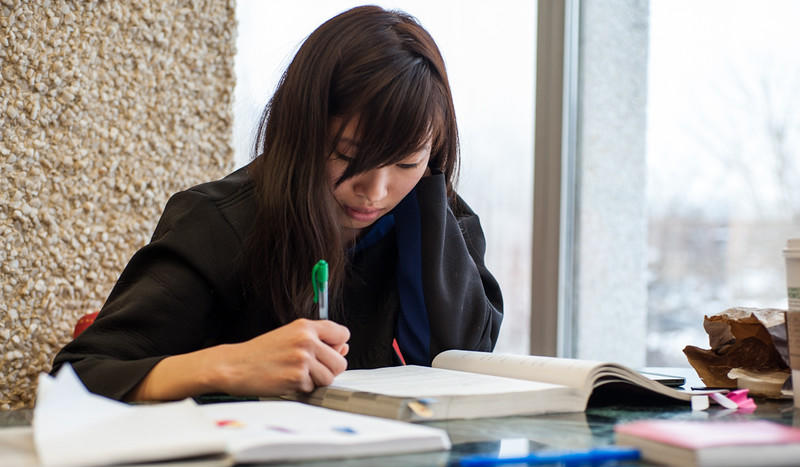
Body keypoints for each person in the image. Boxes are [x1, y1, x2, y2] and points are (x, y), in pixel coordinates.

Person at [51, 5, 503, 402]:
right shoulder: (220, 224)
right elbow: (79, 376)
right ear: (302, 130)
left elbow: (467, 372)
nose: (376, 191)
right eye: (347, 156)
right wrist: (230, 366)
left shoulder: (445, 224)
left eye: (406, 162)